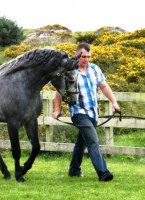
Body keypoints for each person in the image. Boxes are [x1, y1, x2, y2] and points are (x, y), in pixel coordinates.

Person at [52, 42, 120, 182]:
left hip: (93, 112)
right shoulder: (69, 71)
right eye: (83, 57)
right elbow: (59, 92)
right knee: (93, 140)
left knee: (81, 142)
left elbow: (104, 86)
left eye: (89, 57)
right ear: (77, 55)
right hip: (78, 112)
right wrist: (57, 109)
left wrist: (114, 102)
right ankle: (103, 172)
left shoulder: (95, 69)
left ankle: (74, 170)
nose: (86, 60)